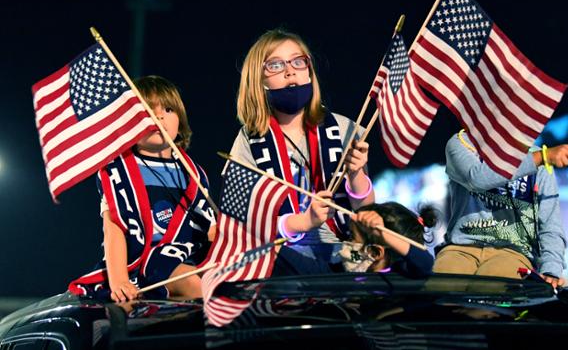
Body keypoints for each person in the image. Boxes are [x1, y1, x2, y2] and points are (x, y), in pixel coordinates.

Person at [229, 29, 374, 264]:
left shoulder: (344, 128)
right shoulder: (249, 139)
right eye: (275, 65)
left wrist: (356, 174)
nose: (289, 71)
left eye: (298, 61)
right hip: (280, 250)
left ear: (309, 71)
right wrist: (304, 222)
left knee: (386, 262)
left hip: (342, 247)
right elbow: (244, 221)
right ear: (259, 79)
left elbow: (366, 209)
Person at [69, 76, 217, 302]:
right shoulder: (119, 170)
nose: (159, 116)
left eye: (168, 109)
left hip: (190, 256)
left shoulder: (194, 173)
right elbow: (114, 227)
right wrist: (119, 281)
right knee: (195, 284)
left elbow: (208, 228)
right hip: (146, 265)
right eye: (148, 110)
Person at [432, 129, 568, 287]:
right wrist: (542, 157)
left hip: (513, 252)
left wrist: (551, 271)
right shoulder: (460, 142)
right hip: (460, 249)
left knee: (489, 294)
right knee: (440, 291)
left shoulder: (539, 157)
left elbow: (550, 224)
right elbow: (477, 179)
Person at [272, 202, 436, 278]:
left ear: (374, 252)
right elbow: (286, 258)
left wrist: (385, 235)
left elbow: (425, 264)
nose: (345, 244)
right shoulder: (339, 274)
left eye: (351, 238)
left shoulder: (403, 282)